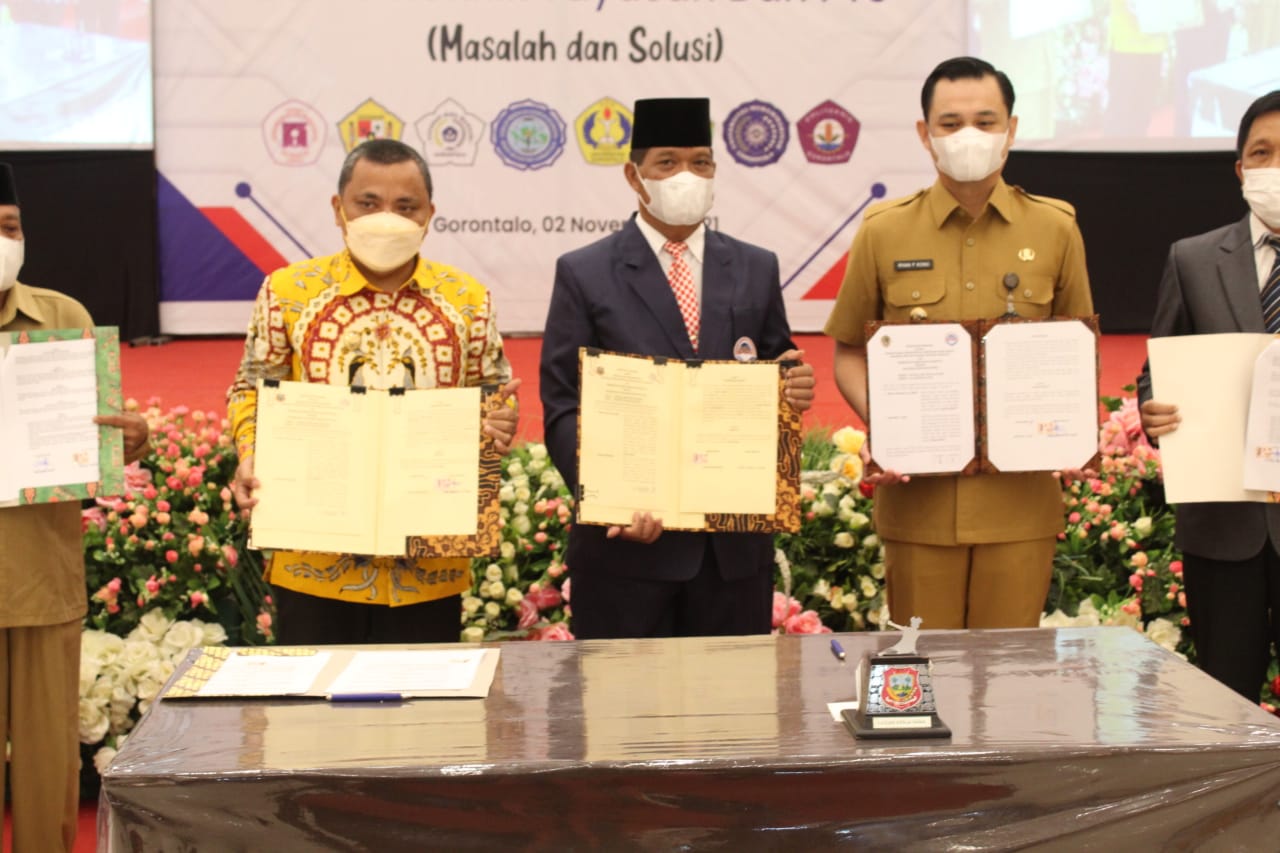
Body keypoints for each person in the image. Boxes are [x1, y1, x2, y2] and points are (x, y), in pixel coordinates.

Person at [824, 57, 1094, 631]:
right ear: (925, 134)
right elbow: (848, 351)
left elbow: (1076, 348)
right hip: (919, 505)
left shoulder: (1056, 228)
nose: (968, 135)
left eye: (985, 121)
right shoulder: (883, 230)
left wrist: (1069, 427)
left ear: (1011, 130)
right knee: (918, 667)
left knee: (1008, 673)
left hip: (1020, 505)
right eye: (950, 123)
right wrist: (887, 424)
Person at [540, 97, 815, 640]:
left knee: (731, 694)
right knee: (622, 695)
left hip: (732, 552)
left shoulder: (756, 267)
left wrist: (793, 389)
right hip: (626, 554)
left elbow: (777, 371)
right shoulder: (585, 273)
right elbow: (563, 405)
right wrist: (610, 502)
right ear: (634, 176)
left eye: (700, 162)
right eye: (667, 162)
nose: (686, 175)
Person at [228, 139, 519, 645]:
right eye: (368, 203)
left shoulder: (468, 299)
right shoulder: (287, 292)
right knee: (316, 693)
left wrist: (500, 421)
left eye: (406, 207)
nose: (387, 219)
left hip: (428, 559)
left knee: (422, 694)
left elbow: (492, 394)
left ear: (429, 215)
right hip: (314, 554)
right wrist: (251, 452)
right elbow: (249, 388)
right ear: (338, 208)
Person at [0, 161, 150, 852]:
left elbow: (94, 448)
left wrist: (131, 440)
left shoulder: (63, 319)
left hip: (41, 582)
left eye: (10, 227)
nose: (3, 241)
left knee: (46, 773)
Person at [1138, 90, 1280, 702]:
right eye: (1262, 153)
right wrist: (1153, 411)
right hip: (1225, 524)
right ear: (1240, 169)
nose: (1274, 166)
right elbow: (1158, 371)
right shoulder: (1193, 259)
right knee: (1228, 699)